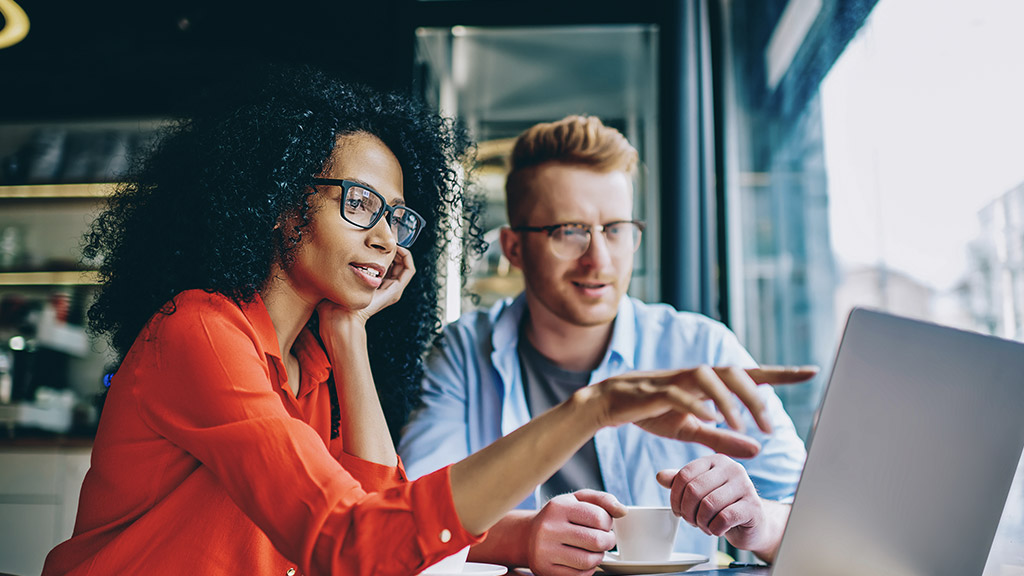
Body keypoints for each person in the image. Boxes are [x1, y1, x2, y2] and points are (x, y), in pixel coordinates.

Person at [40, 70, 811, 576]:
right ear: (278, 204)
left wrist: (348, 336)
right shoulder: (201, 333)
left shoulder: (311, 362)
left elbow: (381, 522)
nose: (385, 237)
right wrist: (594, 408)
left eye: (397, 217)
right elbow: (353, 545)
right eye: (360, 204)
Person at [398, 115, 813, 575]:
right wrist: (522, 538)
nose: (599, 259)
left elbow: (818, 517)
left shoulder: (701, 348)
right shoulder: (463, 353)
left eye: (615, 229)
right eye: (569, 231)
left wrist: (759, 525)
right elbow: (410, 518)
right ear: (514, 248)